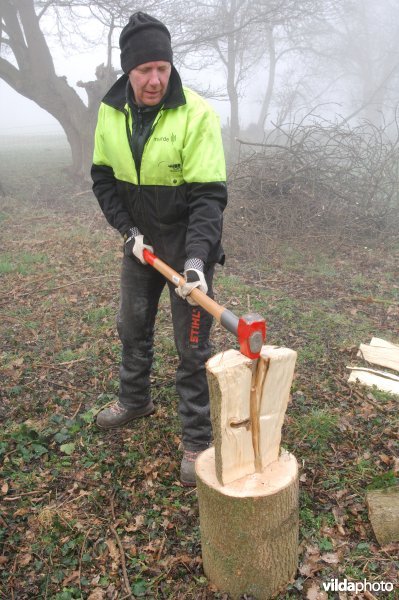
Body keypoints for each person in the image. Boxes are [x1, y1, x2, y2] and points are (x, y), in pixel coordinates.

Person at [91, 12, 227, 486]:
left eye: (162, 68)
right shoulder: (111, 113)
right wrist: (127, 231)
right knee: (132, 326)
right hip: (140, 247)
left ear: (171, 67)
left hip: (187, 247)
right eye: (144, 69)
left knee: (192, 346)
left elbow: (209, 197)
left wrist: (195, 260)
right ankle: (135, 400)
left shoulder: (196, 113)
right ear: (128, 71)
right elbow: (103, 179)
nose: (154, 79)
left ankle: (197, 440)